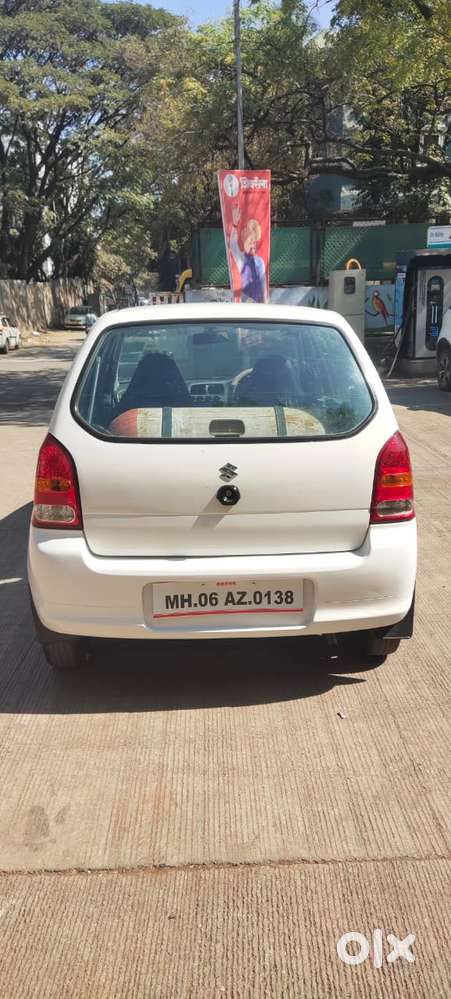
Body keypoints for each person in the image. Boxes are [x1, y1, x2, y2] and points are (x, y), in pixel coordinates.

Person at [229, 205, 267, 303]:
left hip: (259, 303)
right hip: (246, 302)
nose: (253, 245)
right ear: (244, 243)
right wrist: (235, 224)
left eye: (254, 242)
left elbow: (263, 286)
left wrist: (265, 304)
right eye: (250, 243)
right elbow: (232, 244)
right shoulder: (241, 258)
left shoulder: (260, 261)